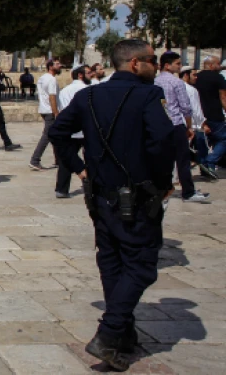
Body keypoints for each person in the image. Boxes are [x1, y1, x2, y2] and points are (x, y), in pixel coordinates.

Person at [49, 39, 175, 371]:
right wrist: (163, 182)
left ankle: (123, 337)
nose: (156, 65)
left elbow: (58, 133)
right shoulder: (148, 95)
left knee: (112, 262)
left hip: (100, 196)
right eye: (152, 60)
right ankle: (109, 333)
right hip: (138, 196)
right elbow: (163, 138)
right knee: (141, 264)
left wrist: (79, 169)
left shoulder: (88, 96)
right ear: (135, 63)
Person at [154, 52, 209, 202]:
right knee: (182, 159)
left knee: (162, 159)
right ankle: (188, 192)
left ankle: (161, 189)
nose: (180, 66)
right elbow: (185, 108)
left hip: (159, 125)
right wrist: (189, 127)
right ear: (167, 65)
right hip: (176, 124)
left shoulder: (154, 82)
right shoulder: (177, 82)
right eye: (177, 63)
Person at [55, 66, 91, 199]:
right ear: (80, 75)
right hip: (85, 130)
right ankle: (91, 185)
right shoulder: (86, 90)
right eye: (88, 73)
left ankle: (62, 189)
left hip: (69, 130)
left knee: (67, 159)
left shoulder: (65, 91)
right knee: (91, 158)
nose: (91, 75)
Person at [181, 67, 215, 179]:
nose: (196, 77)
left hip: (180, 124)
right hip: (194, 125)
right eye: (194, 75)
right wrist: (203, 124)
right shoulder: (191, 90)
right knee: (202, 150)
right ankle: (206, 171)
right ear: (186, 75)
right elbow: (196, 110)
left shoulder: (176, 87)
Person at [195, 56, 226, 174]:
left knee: (203, 142)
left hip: (199, 115)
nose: (220, 66)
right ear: (211, 65)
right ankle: (210, 161)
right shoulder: (218, 78)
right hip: (215, 115)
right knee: (223, 139)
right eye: (218, 64)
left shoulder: (196, 77)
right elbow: (223, 97)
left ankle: (205, 167)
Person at [30, 59, 62, 171]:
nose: (60, 66)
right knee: (47, 136)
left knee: (55, 136)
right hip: (50, 111)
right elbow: (52, 97)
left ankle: (59, 160)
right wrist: (56, 112)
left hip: (44, 109)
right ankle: (35, 160)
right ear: (50, 66)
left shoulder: (42, 78)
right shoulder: (52, 79)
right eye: (57, 64)